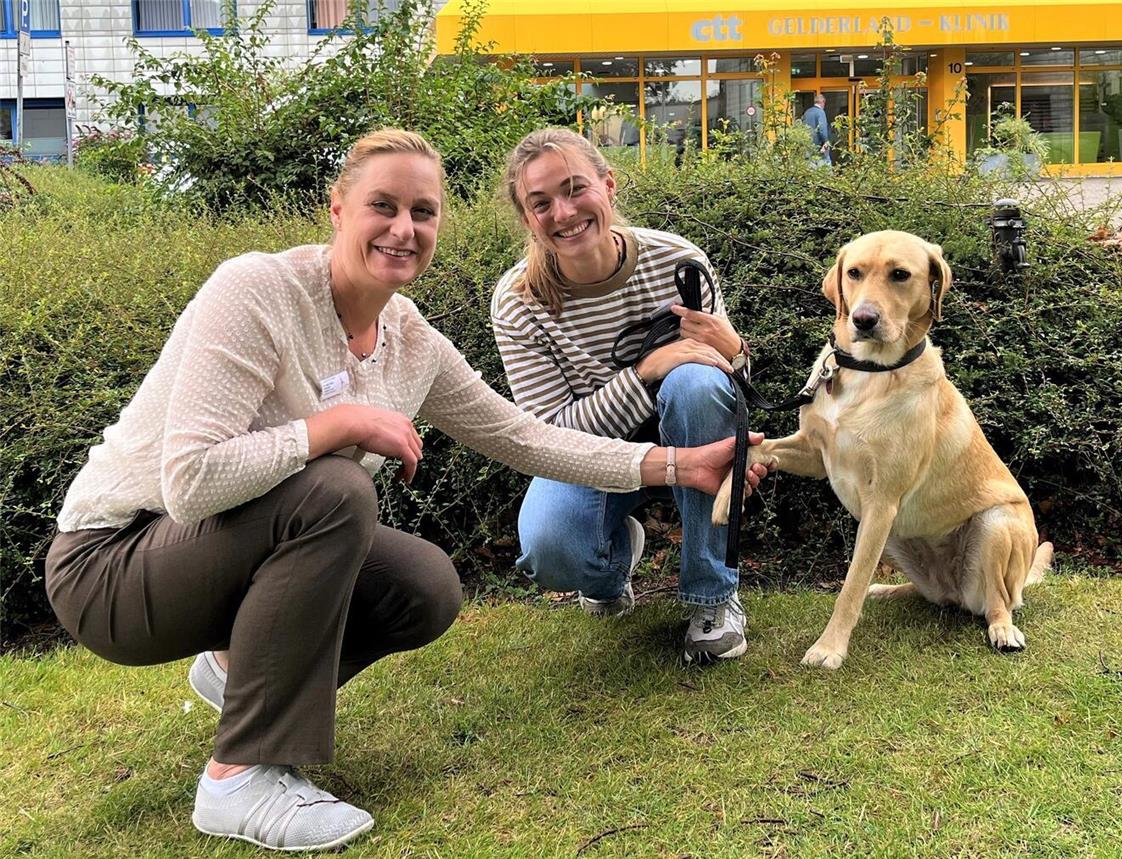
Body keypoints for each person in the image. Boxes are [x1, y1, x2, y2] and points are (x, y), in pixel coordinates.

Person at [43, 129, 763, 852]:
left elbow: (524, 437)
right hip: (111, 564)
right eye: (381, 205)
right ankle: (240, 776)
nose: (403, 228)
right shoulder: (257, 289)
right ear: (336, 209)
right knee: (332, 491)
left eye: (423, 211)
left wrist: (683, 467)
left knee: (422, 585)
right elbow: (192, 482)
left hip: (208, 557)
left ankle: (234, 667)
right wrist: (337, 424)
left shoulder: (407, 336)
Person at [491, 128, 762, 666]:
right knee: (549, 546)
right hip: (591, 459)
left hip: (690, 432)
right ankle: (611, 563)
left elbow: (727, 379)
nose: (563, 213)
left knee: (696, 383)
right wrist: (644, 373)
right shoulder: (519, 303)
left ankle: (713, 596)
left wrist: (737, 352)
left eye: (575, 189)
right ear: (527, 219)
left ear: (609, 186)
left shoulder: (678, 262)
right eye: (540, 203)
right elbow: (549, 438)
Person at [802, 94, 832, 167]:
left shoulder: (807, 112)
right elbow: (822, 128)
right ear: (822, 102)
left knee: (810, 169)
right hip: (818, 146)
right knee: (825, 168)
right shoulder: (820, 112)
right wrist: (826, 141)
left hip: (807, 146)